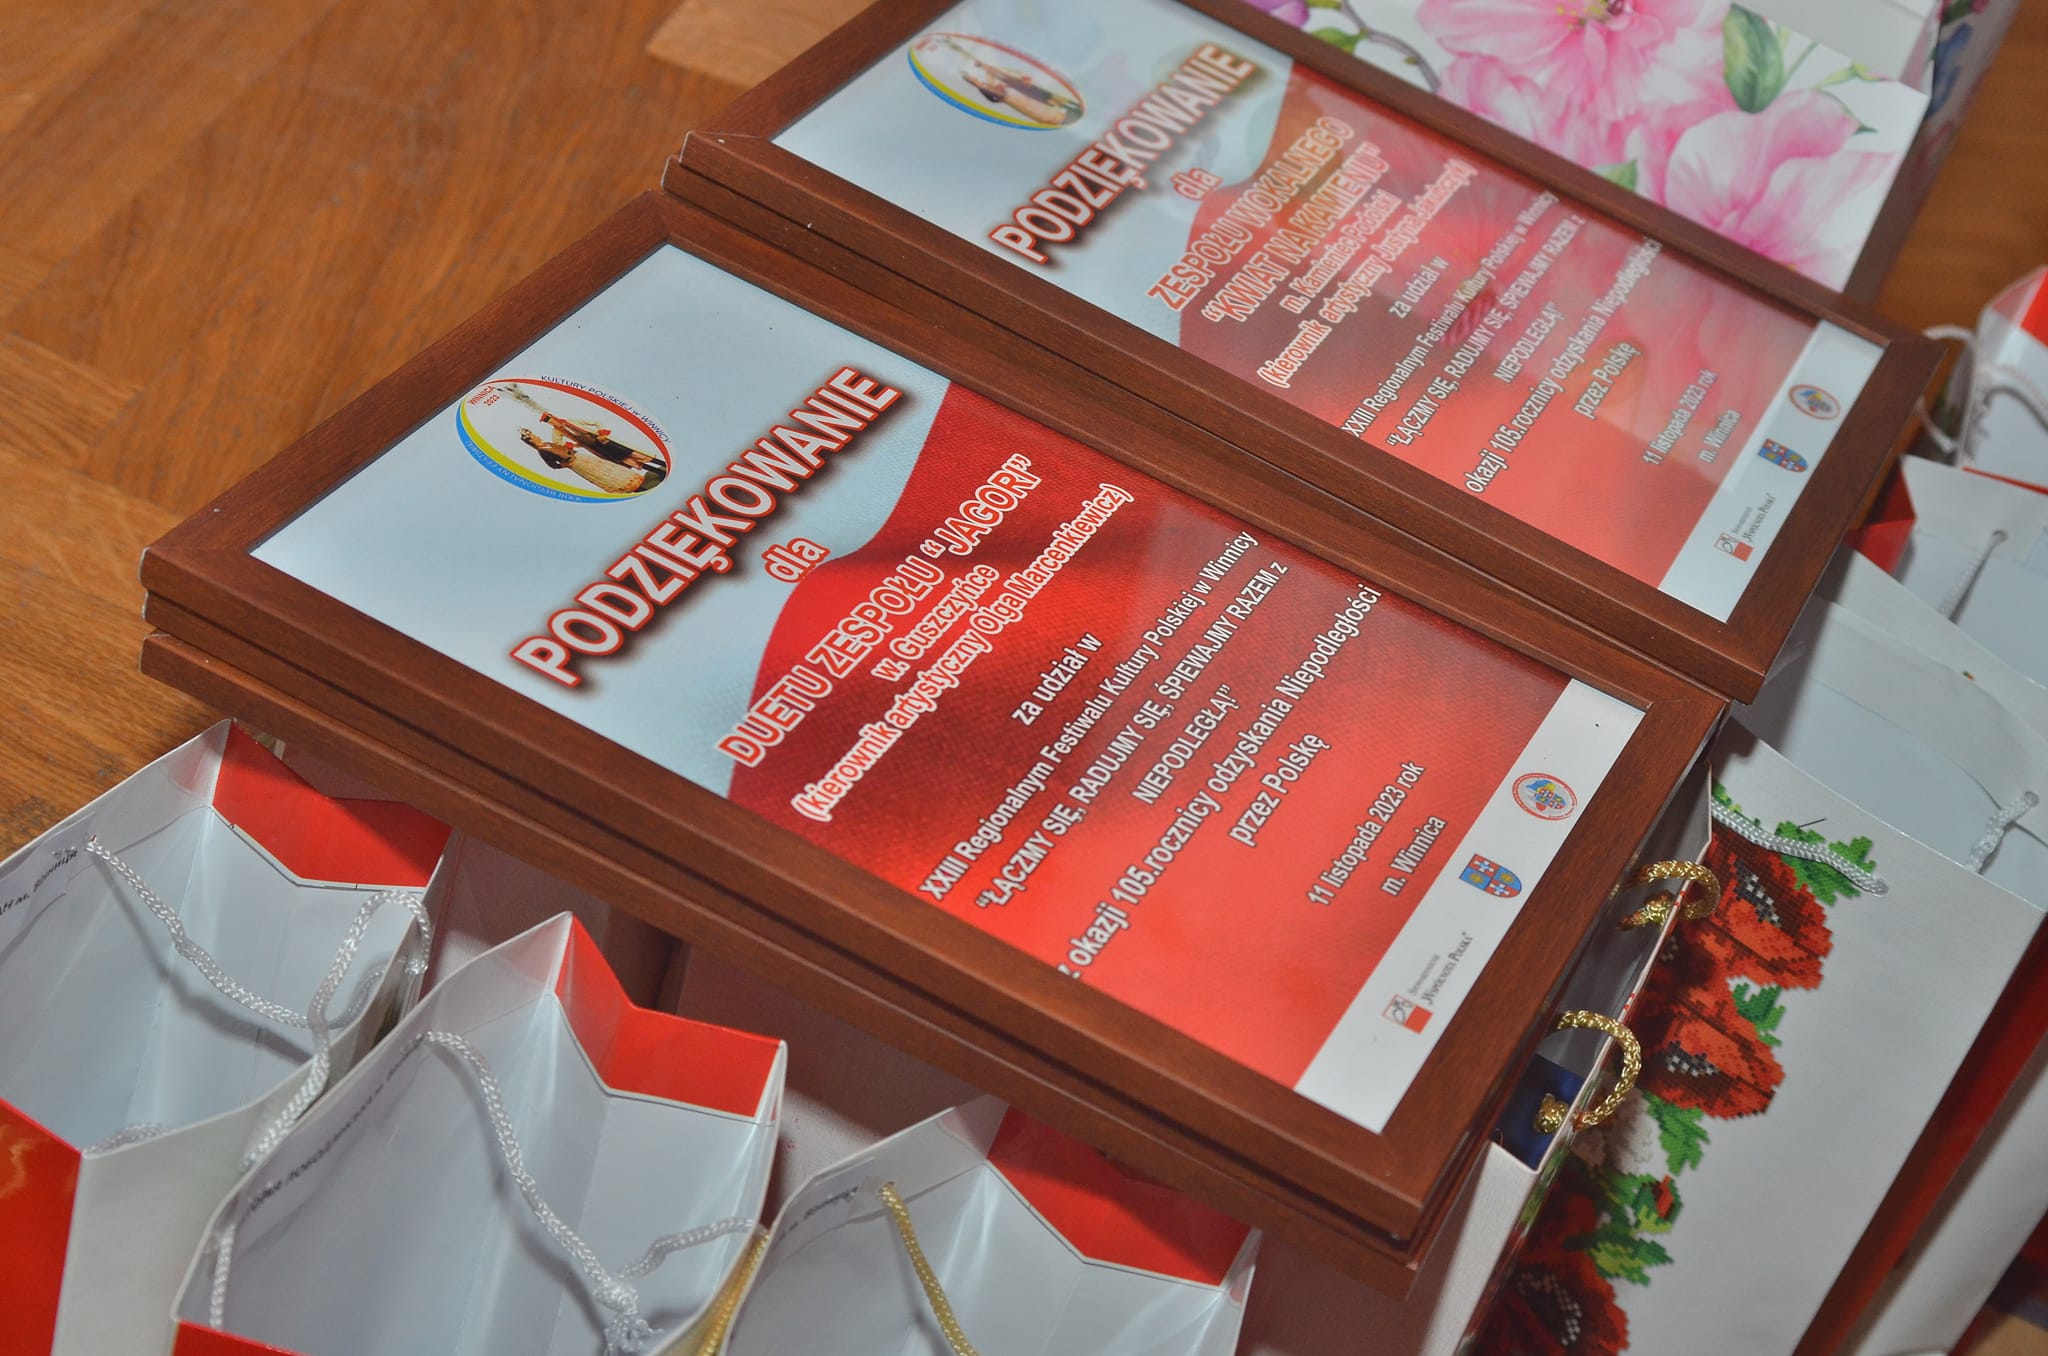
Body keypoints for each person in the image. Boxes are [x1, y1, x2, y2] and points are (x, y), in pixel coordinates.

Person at [517, 411, 667, 495]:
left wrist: (602, 433)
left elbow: (595, 421)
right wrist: (575, 446)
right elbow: (559, 445)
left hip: (605, 441)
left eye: (551, 419)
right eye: (549, 422)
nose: (552, 422)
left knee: (636, 454)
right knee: (626, 461)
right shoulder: (555, 433)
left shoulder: (572, 420)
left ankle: (663, 466)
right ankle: (654, 475)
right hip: (595, 450)